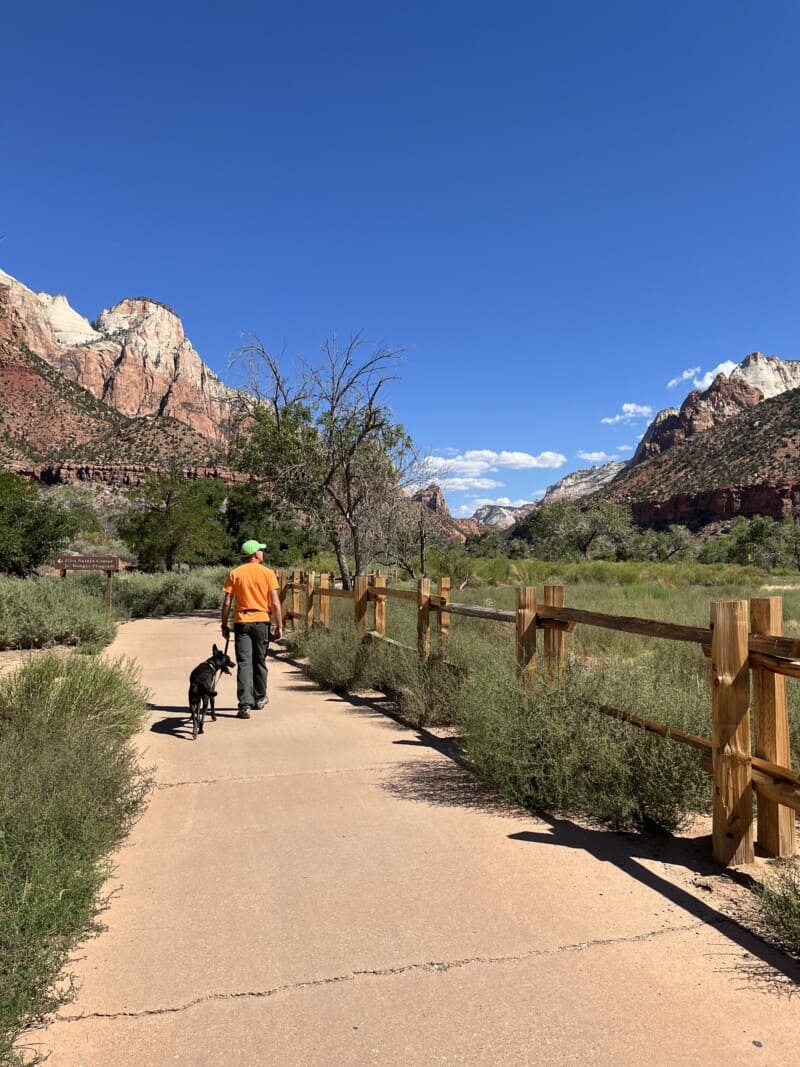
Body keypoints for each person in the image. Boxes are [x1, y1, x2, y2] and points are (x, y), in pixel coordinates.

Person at [221, 539, 283, 719]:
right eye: (261, 551)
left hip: (241, 622)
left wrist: (224, 624)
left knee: (244, 662)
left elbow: (227, 602)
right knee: (260, 660)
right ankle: (260, 697)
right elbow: (275, 603)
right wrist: (278, 625)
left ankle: (244, 704)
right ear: (255, 554)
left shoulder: (235, 574)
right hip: (261, 621)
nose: (263, 553)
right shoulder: (268, 573)